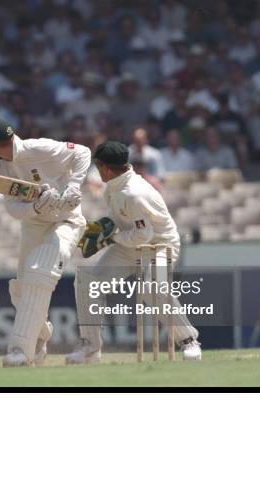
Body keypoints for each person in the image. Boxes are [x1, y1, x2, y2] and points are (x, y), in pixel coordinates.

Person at [66, 141, 202, 364]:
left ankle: (188, 341)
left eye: (98, 167)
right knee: (89, 283)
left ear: (106, 169)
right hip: (130, 242)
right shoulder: (114, 184)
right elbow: (124, 221)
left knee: (152, 287)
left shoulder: (134, 193)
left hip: (159, 245)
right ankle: (90, 347)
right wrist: (107, 227)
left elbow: (144, 235)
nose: (97, 171)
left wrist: (110, 237)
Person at [0, 115, 90, 367]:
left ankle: (21, 350)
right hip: (34, 225)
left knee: (40, 272)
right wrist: (36, 207)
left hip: (67, 220)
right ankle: (39, 336)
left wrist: (73, 186)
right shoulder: (2, 169)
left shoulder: (40, 147)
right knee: (22, 289)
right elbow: (13, 209)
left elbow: (82, 152)